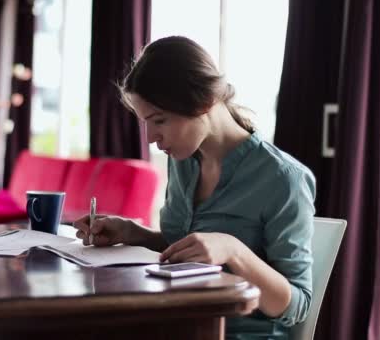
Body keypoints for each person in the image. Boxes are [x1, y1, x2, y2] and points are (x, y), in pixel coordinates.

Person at [73, 36, 315, 339]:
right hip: (174, 324)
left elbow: (296, 305)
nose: (149, 138)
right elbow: (189, 251)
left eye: (159, 120)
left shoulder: (282, 178)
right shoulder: (183, 160)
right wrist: (133, 233)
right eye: (144, 122)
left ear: (203, 103)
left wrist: (233, 250)